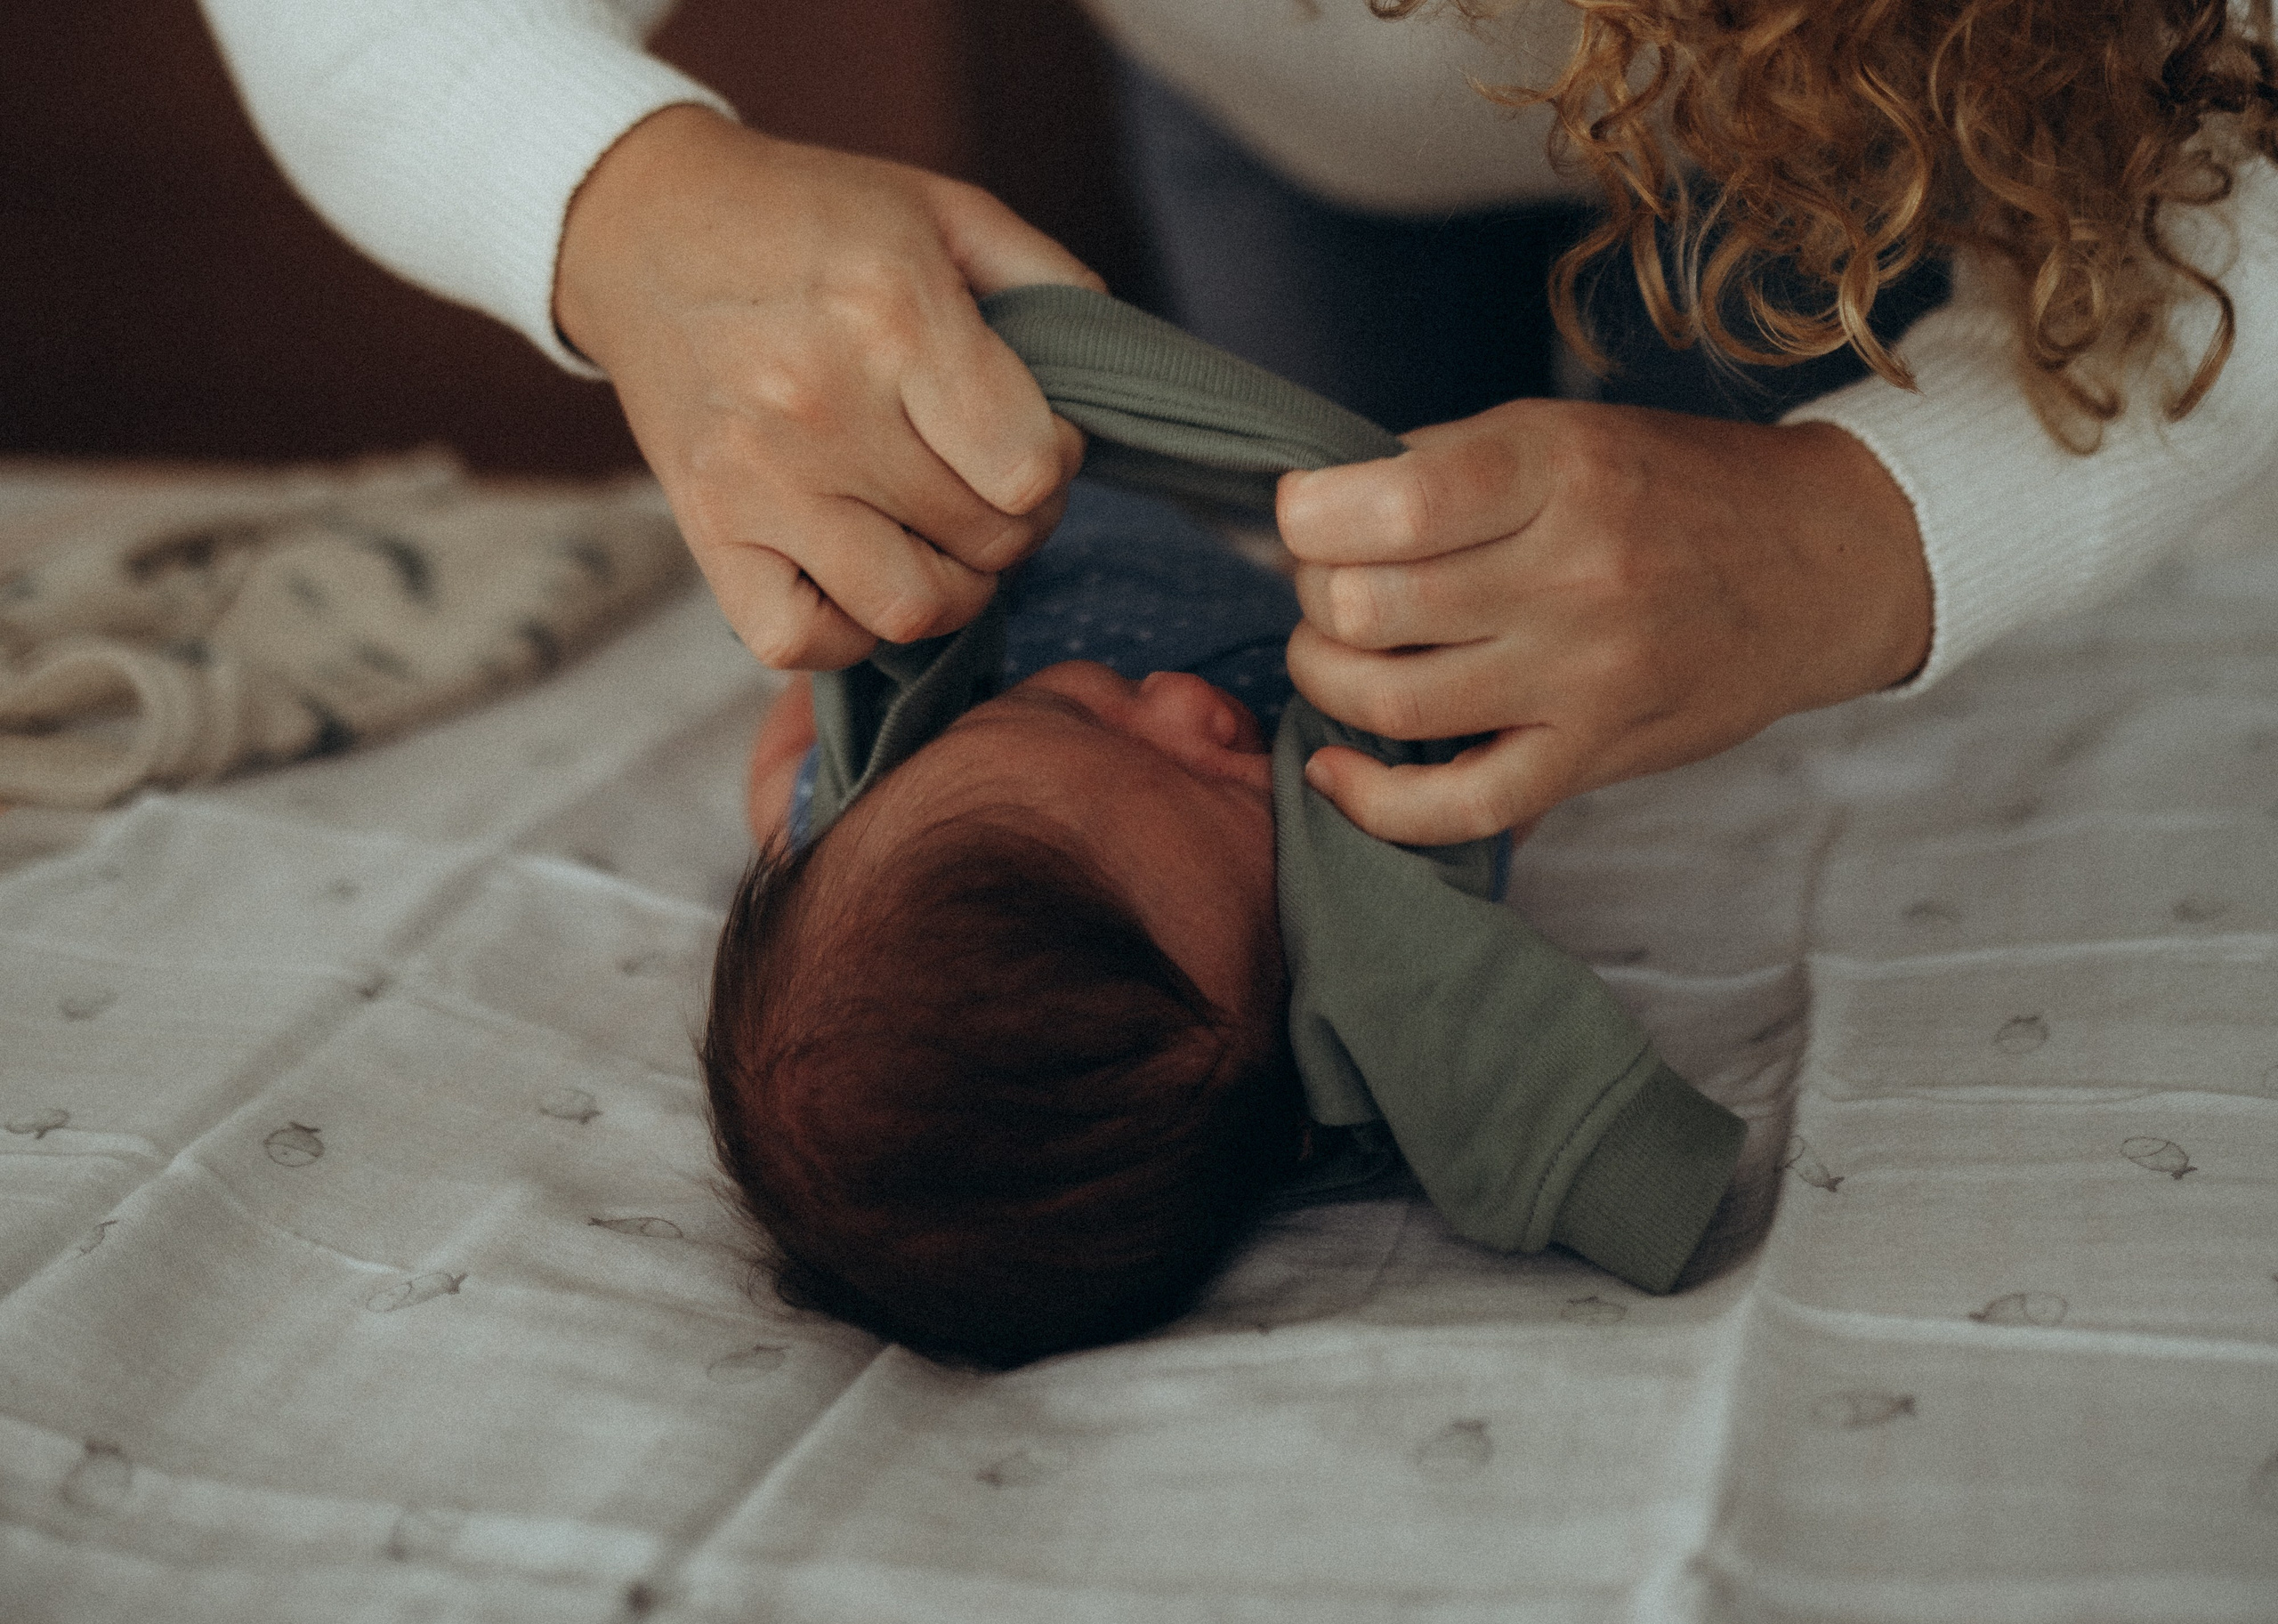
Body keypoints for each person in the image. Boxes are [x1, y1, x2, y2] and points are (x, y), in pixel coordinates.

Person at [198, 0, 2278, 844]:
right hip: (1287, 155)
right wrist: (613, 205)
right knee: (1364, 602)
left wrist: (1861, 535)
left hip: (1921, 124)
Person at [707, 480, 1748, 1368]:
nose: (1181, 706)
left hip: (1037, 509)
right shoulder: (1376, 859)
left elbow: (812, 707)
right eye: (1230, 799)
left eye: (1065, 711)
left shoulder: (832, 812)